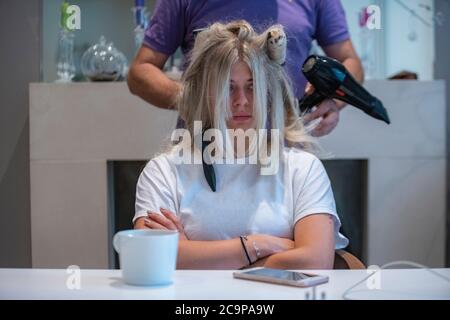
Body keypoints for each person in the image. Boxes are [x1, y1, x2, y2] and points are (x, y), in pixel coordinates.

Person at [133, 21, 348, 270]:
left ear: (268, 94)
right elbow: (150, 256)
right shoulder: (163, 172)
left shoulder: (303, 169)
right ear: (206, 93)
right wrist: (255, 246)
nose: (241, 101)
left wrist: (194, 256)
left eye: (252, 86)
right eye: (227, 87)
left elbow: (315, 261)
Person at [127, 0, 364, 137]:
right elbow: (140, 71)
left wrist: (332, 99)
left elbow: (349, 61)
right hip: (205, 152)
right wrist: (193, 99)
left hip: (286, 151)